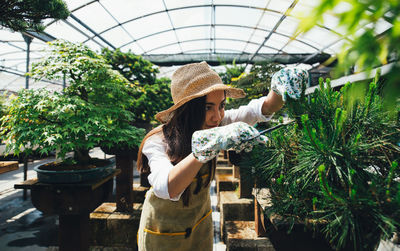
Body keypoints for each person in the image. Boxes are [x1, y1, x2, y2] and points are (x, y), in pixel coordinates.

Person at [136, 61, 308, 250]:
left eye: (221, 106)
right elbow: (166, 187)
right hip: (163, 231)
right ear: (188, 109)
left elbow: (260, 109)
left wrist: (278, 88)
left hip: (200, 224)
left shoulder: (217, 124)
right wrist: (203, 149)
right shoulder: (158, 141)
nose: (217, 117)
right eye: (207, 107)